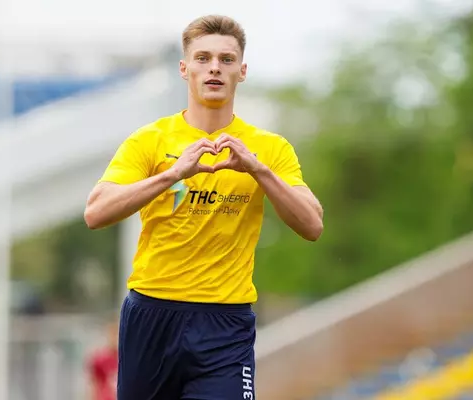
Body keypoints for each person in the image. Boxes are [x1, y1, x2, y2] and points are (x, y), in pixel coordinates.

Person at [84, 14, 324, 400]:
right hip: (152, 314)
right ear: (185, 69)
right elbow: (96, 212)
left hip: (225, 322)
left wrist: (258, 170)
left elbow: (312, 224)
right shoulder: (149, 140)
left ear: (242, 71)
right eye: (203, 58)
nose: (214, 67)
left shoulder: (268, 149)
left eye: (226, 59)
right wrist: (173, 174)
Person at [87, 318, 119, 400]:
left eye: (117, 334)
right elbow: (94, 384)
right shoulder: (100, 358)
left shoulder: (124, 359)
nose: (115, 338)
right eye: (112, 334)